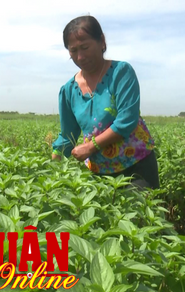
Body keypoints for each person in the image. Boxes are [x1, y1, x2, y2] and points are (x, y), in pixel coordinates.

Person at [51, 15, 160, 190]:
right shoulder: (68, 90)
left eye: (85, 47)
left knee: (139, 215)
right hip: (98, 173)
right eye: (73, 50)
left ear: (102, 41)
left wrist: (90, 146)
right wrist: (51, 170)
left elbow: (126, 121)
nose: (80, 56)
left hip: (136, 167)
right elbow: (67, 135)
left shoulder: (121, 73)